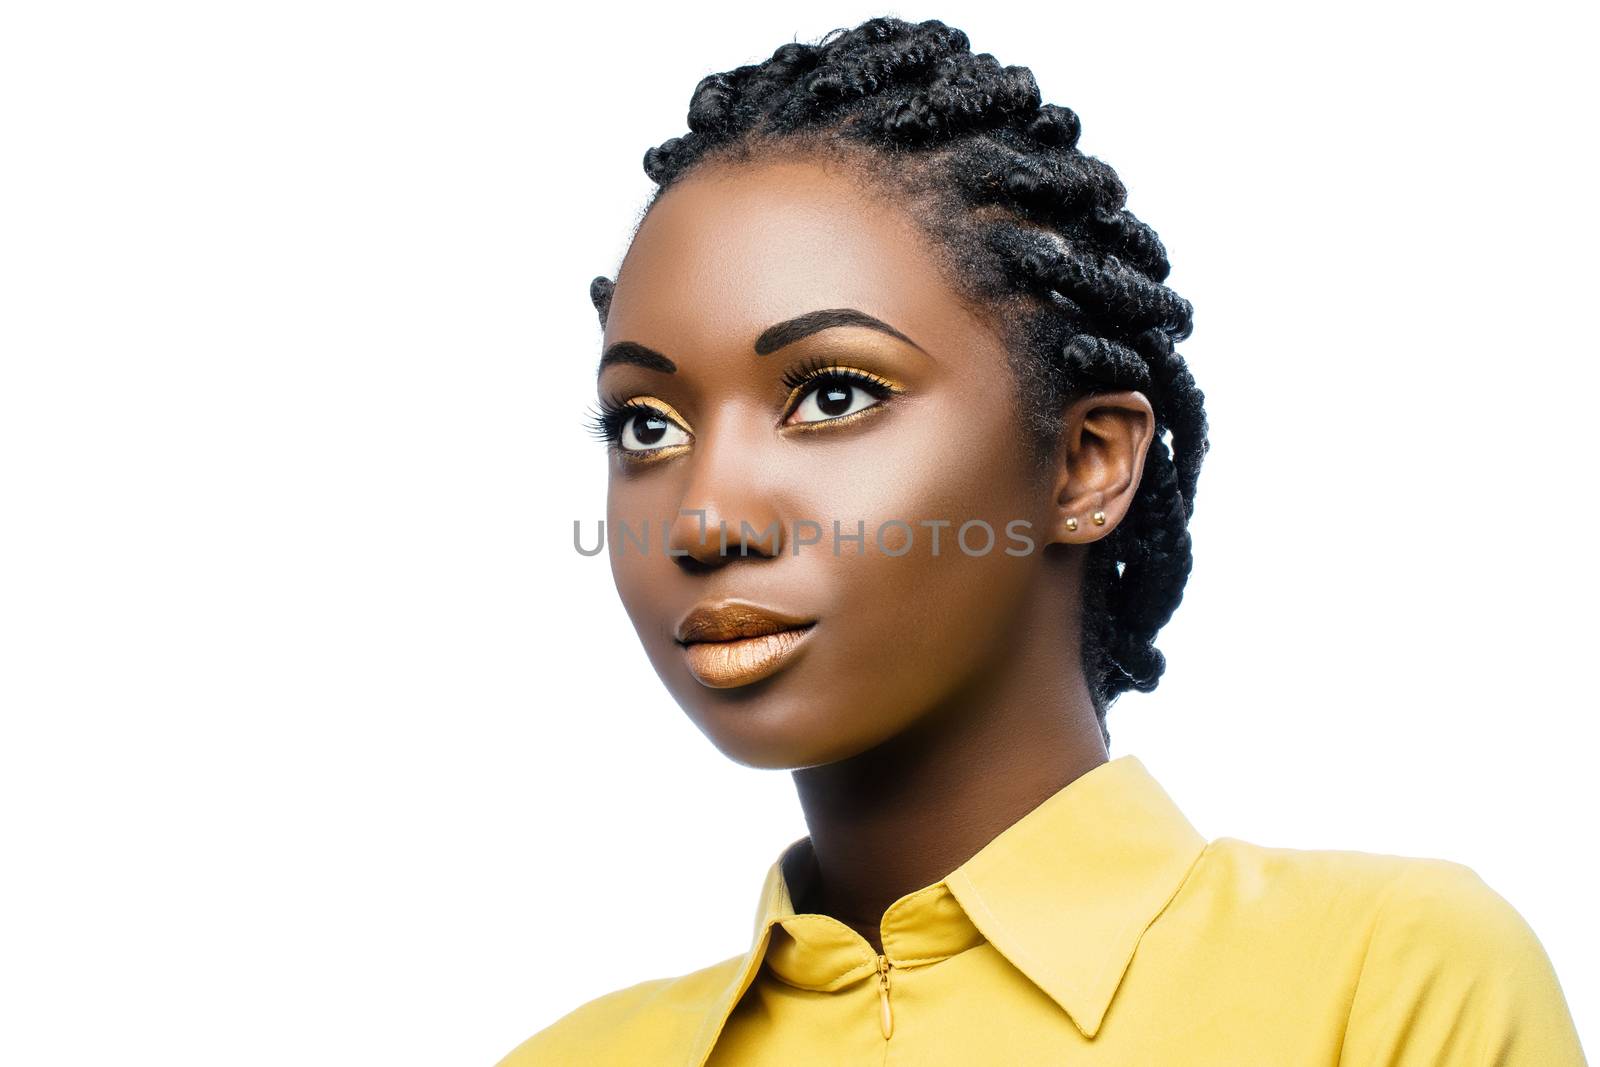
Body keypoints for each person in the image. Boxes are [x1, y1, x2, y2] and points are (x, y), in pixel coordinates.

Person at [500, 15, 1587, 1065]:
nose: (702, 517)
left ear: (1086, 462)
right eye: (647, 424)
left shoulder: (1385, 981)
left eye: (831, 395)